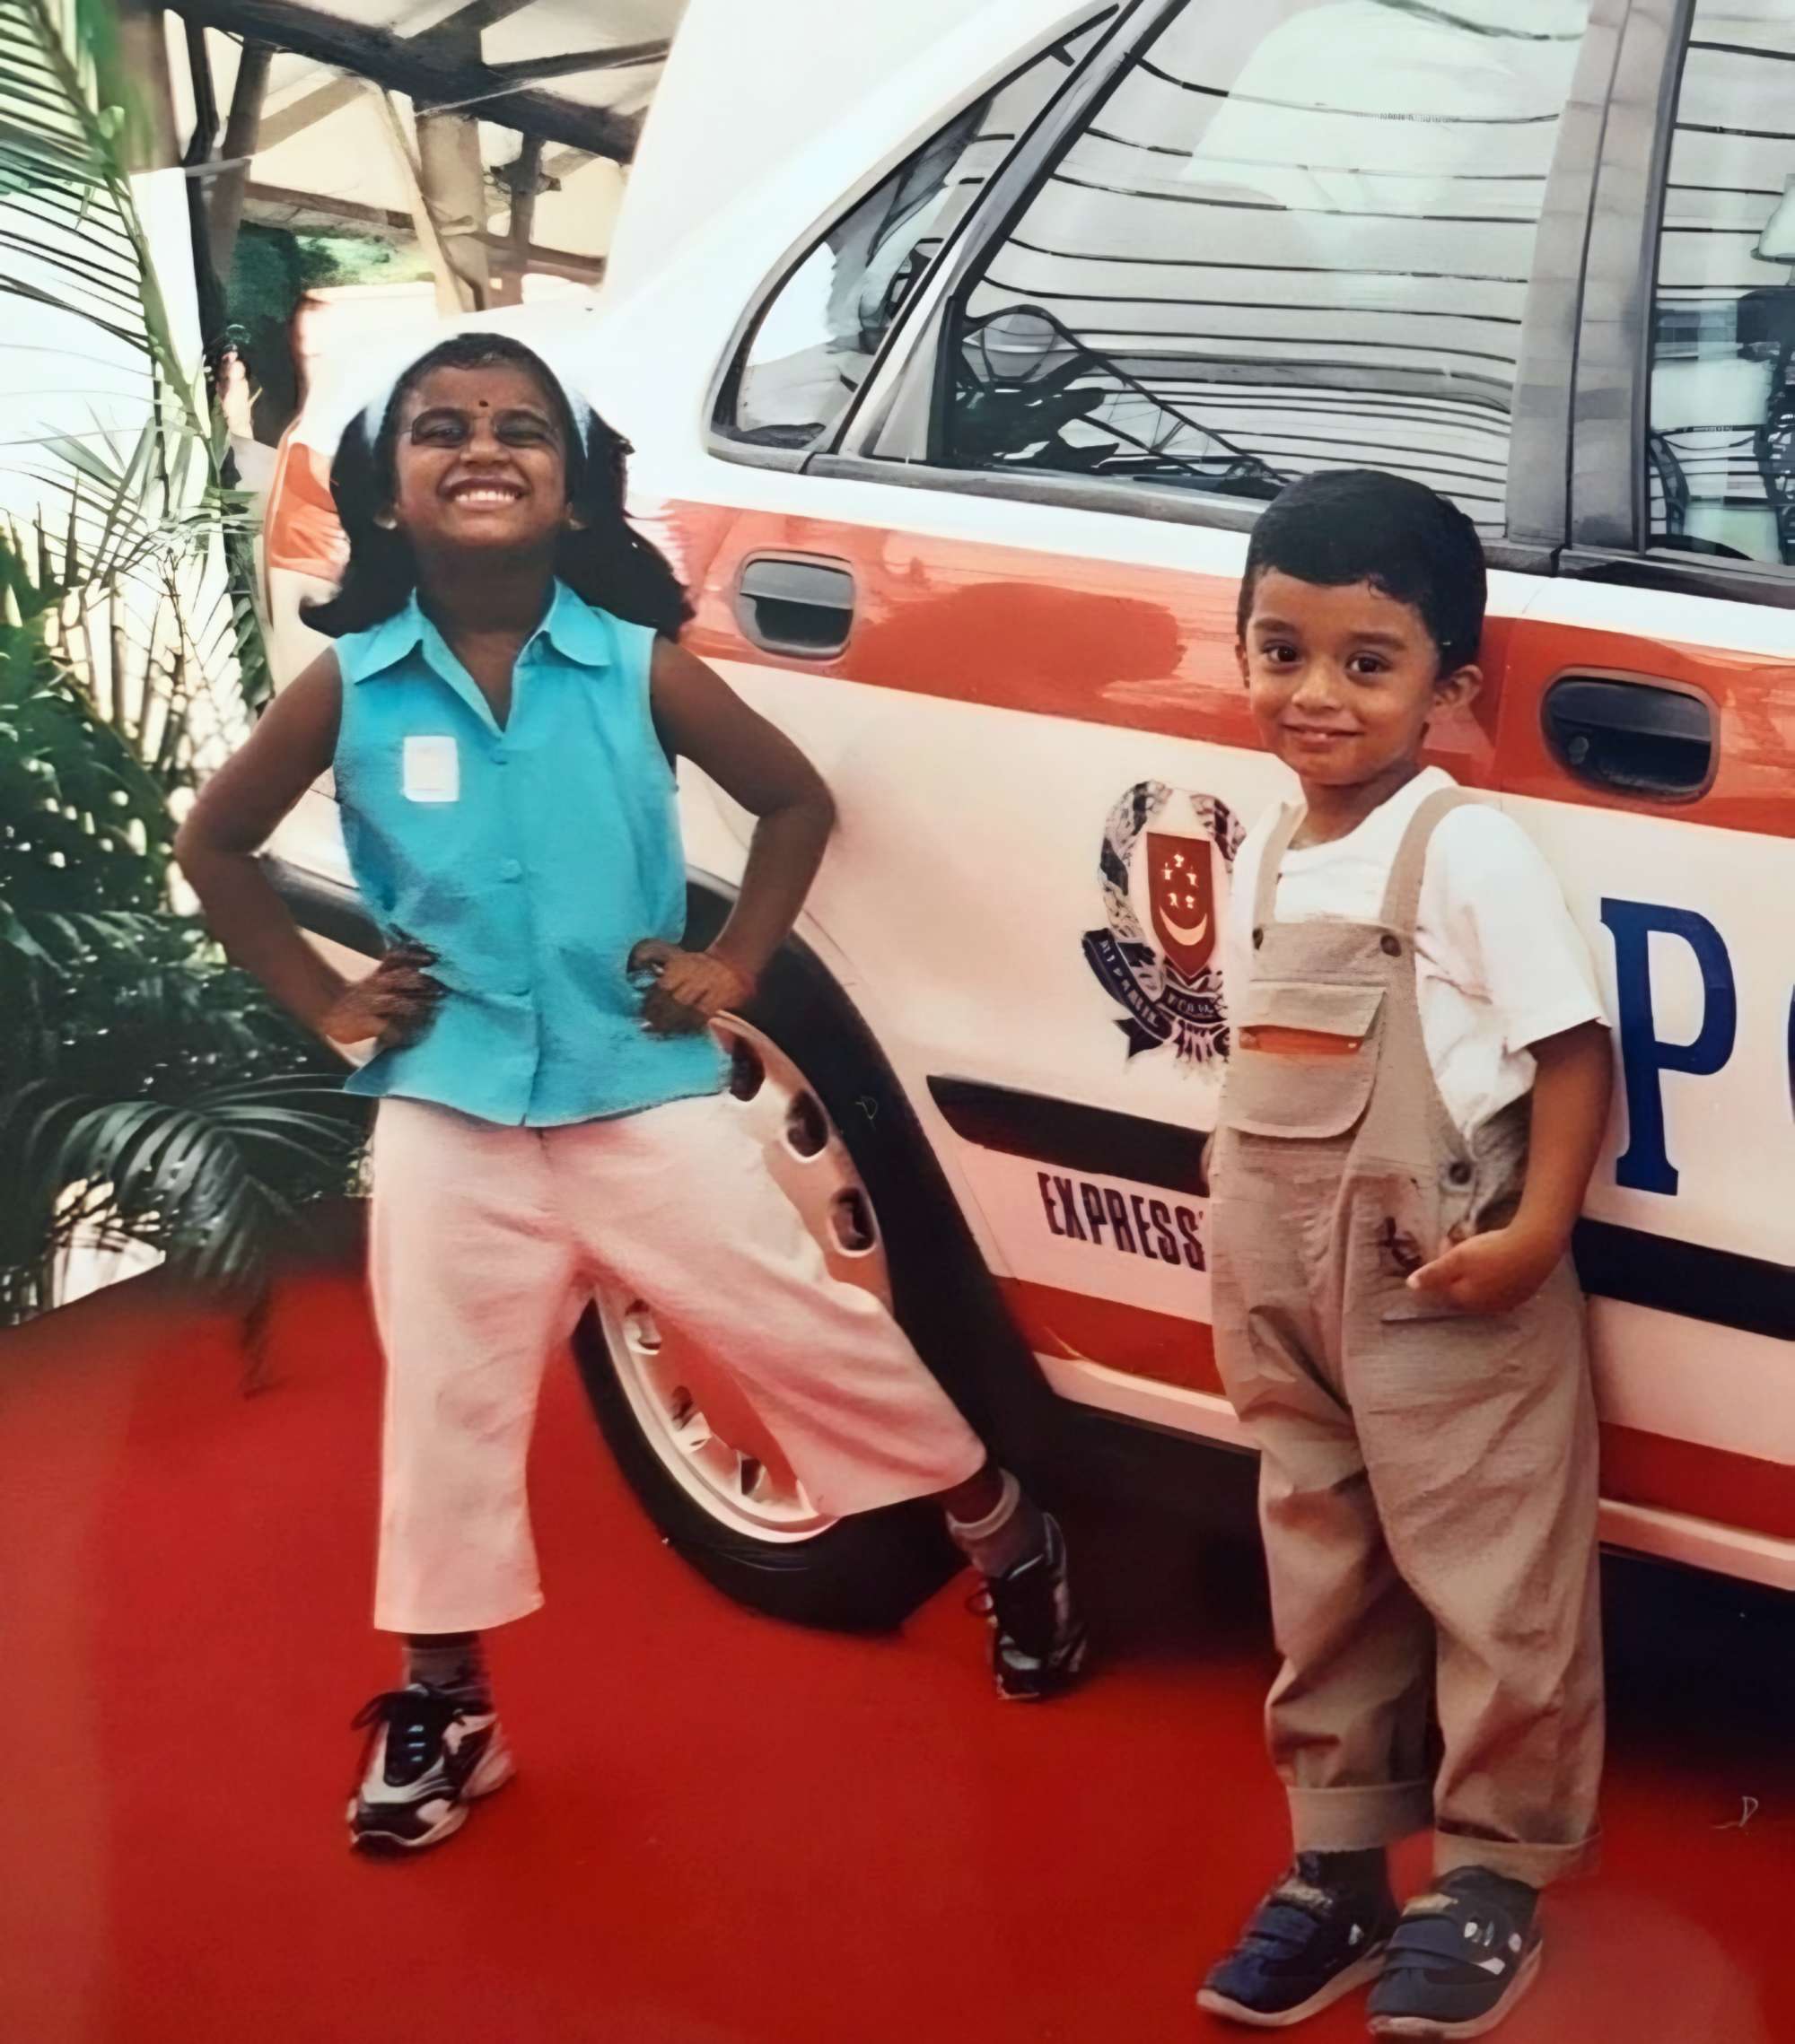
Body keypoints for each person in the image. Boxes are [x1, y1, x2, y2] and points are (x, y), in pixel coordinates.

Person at [176, 332, 1087, 1856]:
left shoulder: (635, 665)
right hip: (450, 1108)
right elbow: (217, 848)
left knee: (808, 1335)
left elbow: (796, 799)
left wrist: (736, 959)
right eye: (443, 426)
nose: (484, 448)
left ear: (577, 486)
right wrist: (329, 1002)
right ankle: (445, 1701)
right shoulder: (350, 688)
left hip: (641, 1092)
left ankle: (1009, 1534)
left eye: (523, 428)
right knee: (448, 1409)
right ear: (384, 492)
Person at [1195, 470, 1609, 2037]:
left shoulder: (1467, 848)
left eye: (1367, 663)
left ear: (1449, 687)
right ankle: (1342, 1860)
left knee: (1493, 1574)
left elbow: (1571, 1051)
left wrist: (1538, 1231)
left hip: (1446, 1279)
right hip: (1286, 1292)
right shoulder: (1266, 851)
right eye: (1280, 650)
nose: (1315, 695)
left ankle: (1495, 1871)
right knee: (1322, 1566)